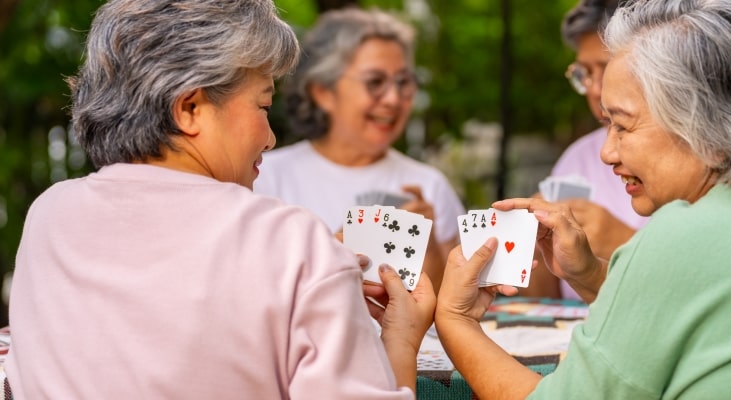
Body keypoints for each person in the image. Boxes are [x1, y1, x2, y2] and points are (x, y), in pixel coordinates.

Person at [4, 1, 435, 398]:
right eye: (263, 106)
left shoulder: (49, 216)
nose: (270, 138)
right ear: (190, 108)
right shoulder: (293, 243)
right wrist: (400, 341)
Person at [436, 0, 731, 398]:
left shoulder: (683, 233)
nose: (606, 153)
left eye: (622, 126)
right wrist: (591, 275)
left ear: (711, 133)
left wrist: (454, 321)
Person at [253, 7, 465, 292]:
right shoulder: (262, 177)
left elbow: (450, 304)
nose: (393, 99)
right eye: (375, 82)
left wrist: (428, 248)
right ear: (322, 92)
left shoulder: (430, 186)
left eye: (404, 82)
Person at [522, 0, 649, 300]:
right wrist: (533, 247)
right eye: (584, 72)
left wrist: (624, 244)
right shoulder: (577, 157)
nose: (594, 89)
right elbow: (542, 300)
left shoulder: (690, 158)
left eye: (607, 68)